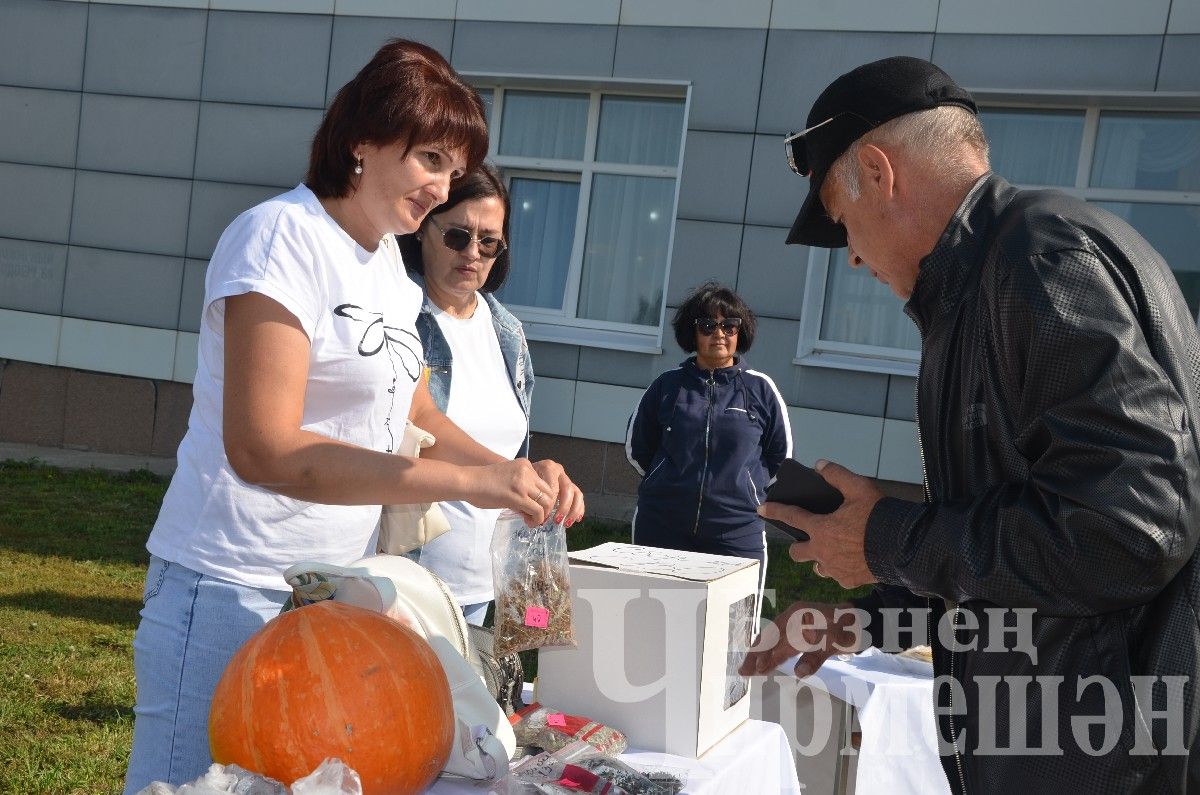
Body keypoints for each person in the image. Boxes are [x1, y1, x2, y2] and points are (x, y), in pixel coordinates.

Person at [124, 40, 585, 793]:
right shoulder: (281, 238)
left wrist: (508, 471)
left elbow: (416, 407)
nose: (441, 188)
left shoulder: (388, 271)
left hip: (333, 593)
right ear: (364, 140)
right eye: (430, 159)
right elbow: (264, 447)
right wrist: (459, 478)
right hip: (231, 587)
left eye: (452, 168)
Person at [740, 56, 1200, 792]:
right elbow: (1009, 534)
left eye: (841, 220)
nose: (853, 255)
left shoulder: (1039, 265)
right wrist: (865, 617)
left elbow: (1130, 531)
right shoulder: (989, 277)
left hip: (1098, 753)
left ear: (880, 174)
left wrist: (887, 537)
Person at [397, 162, 542, 627]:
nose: (473, 253)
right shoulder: (400, 317)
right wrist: (507, 474)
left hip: (483, 585)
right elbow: (414, 430)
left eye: (489, 242)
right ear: (422, 228)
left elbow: (514, 451)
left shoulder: (509, 333)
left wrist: (538, 479)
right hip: (407, 579)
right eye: (458, 236)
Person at [625, 282, 792, 599]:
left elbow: (779, 458)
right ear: (693, 332)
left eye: (729, 325)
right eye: (707, 325)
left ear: (740, 332)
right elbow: (638, 449)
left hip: (736, 530)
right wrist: (669, 482)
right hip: (662, 525)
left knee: (734, 632)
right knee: (654, 623)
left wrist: (745, 490)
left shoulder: (761, 390)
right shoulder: (667, 386)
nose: (720, 334)